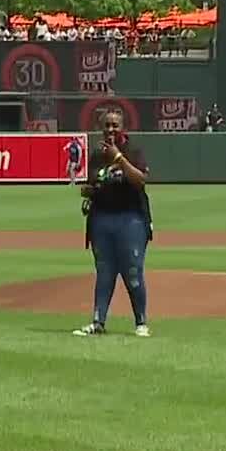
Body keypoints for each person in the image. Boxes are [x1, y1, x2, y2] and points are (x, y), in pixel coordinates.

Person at [74, 111, 153, 337]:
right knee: (104, 272)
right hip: (102, 219)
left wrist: (119, 158)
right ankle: (98, 322)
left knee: (132, 271)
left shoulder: (133, 150)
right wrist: (88, 191)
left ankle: (141, 322)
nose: (110, 129)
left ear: (123, 127)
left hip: (130, 219)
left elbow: (140, 180)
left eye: (115, 125)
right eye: (107, 125)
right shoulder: (97, 153)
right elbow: (92, 183)